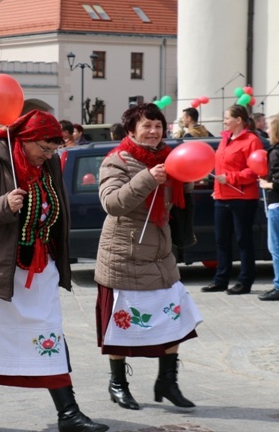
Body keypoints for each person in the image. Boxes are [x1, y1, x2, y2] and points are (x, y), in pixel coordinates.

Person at [0, 110, 109, 432]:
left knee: (48, 335)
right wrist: (2, 205)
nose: (48, 155)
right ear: (25, 139)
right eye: (44, 148)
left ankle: (69, 413)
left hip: (38, 266)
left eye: (53, 150)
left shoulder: (46, 166)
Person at [95, 103, 202, 412]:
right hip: (123, 253)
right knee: (119, 324)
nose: (154, 131)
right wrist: (147, 179)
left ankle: (167, 381)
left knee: (176, 318)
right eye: (147, 126)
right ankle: (118, 384)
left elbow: (178, 197)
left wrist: (188, 177)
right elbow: (112, 204)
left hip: (160, 252)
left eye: (158, 125)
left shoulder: (170, 158)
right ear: (131, 130)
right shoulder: (116, 160)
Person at [201, 105, 264, 295]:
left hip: (243, 197)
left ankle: (245, 281)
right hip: (222, 197)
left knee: (243, 240)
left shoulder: (252, 140)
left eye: (227, 117)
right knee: (221, 240)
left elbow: (254, 171)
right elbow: (219, 168)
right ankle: (221, 279)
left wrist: (230, 178)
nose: (224, 121)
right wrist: (217, 188)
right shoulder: (225, 139)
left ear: (239, 120)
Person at [258, 114, 279, 301]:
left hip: (277, 204)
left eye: (269, 128)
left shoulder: (275, 152)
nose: (266, 131)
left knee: (276, 247)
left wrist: (267, 185)